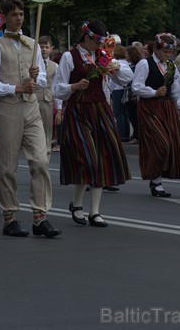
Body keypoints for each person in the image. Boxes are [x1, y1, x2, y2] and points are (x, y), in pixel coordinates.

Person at [0, 0, 61, 238]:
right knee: (7, 166)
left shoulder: (34, 44)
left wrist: (34, 80)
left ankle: (40, 216)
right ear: (4, 17)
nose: (18, 18)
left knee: (40, 160)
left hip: (32, 109)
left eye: (21, 14)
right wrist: (17, 87)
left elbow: (40, 81)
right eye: (14, 14)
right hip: (8, 109)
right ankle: (9, 216)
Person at [53, 20, 132, 227]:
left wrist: (114, 66)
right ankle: (77, 203)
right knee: (88, 158)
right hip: (78, 110)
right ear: (87, 38)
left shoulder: (103, 57)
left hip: (100, 110)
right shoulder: (70, 57)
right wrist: (74, 86)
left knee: (102, 158)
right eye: (97, 42)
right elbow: (57, 88)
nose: (99, 47)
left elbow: (124, 80)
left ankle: (94, 212)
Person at [131, 33, 180, 197]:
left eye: (170, 52)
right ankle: (155, 179)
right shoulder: (145, 63)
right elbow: (136, 86)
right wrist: (153, 92)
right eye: (165, 51)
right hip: (150, 107)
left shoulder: (171, 65)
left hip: (167, 107)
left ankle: (157, 181)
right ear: (155, 49)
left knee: (170, 143)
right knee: (159, 142)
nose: (168, 55)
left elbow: (178, 88)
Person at [36, 36, 62, 157]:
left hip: (47, 102)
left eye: (47, 47)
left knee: (47, 132)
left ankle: (46, 155)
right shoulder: (32, 64)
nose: (44, 50)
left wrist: (59, 110)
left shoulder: (55, 67)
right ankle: (36, 155)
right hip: (33, 102)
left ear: (51, 49)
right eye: (41, 47)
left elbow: (57, 89)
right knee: (34, 132)